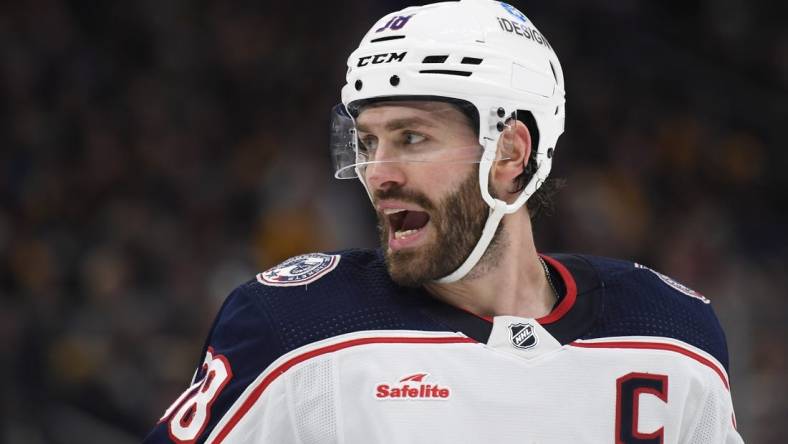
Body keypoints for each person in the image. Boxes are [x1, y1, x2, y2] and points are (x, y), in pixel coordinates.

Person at [144, 1, 743, 442]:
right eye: (367, 141)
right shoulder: (296, 329)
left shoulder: (671, 335)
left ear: (510, 152)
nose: (377, 173)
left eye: (410, 137)